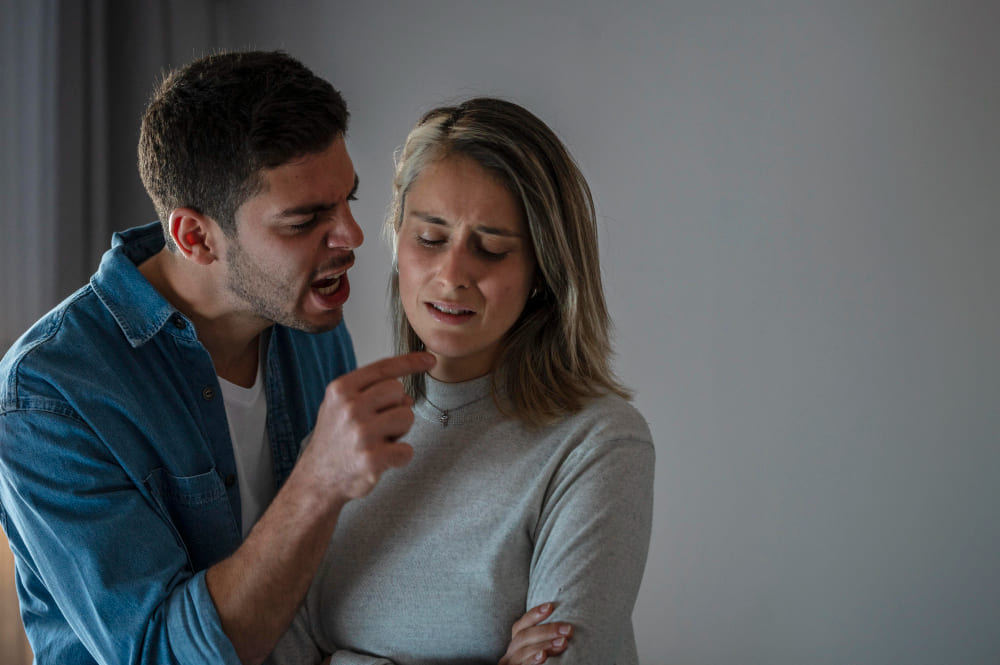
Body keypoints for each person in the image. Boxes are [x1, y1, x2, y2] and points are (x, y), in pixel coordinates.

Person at [0, 52, 550, 665]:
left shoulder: (306, 323)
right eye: (307, 220)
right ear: (196, 237)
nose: (352, 236)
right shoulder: (48, 394)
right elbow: (157, 655)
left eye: (347, 200)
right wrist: (319, 482)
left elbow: (331, 602)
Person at [268, 98, 655, 665]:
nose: (452, 276)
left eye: (492, 249)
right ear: (398, 243)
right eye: (430, 239)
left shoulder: (598, 444)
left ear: (543, 271)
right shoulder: (345, 432)